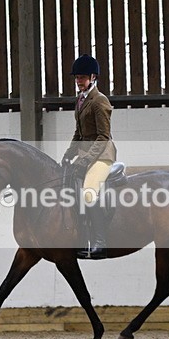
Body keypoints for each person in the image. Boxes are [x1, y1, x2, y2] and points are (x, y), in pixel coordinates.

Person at [62, 54, 117, 259]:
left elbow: (103, 136)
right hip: (86, 154)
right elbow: (79, 133)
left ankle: (100, 242)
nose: (79, 81)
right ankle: (80, 236)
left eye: (83, 77)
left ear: (93, 77)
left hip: (102, 155)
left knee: (88, 193)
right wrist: (69, 154)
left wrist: (85, 160)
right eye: (77, 77)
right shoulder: (80, 100)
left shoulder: (99, 100)